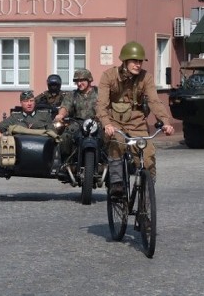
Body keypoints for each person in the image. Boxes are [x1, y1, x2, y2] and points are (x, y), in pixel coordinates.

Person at [96, 41, 175, 197]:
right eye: (134, 61)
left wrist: (166, 123)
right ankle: (117, 183)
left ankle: (146, 194)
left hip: (137, 123)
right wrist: (106, 124)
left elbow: (154, 101)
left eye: (140, 61)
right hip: (115, 122)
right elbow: (101, 104)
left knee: (147, 156)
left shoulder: (146, 78)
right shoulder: (109, 76)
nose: (138, 65)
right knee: (116, 142)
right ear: (125, 61)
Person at [53, 69, 99, 166]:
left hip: (96, 123)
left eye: (82, 81)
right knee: (65, 137)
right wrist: (61, 115)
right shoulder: (72, 95)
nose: (79, 84)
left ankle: (108, 164)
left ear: (89, 80)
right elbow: (65, 107)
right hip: (77, 123)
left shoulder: (99, 93)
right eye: (77, 81)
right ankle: (66, 163)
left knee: (108, 137)